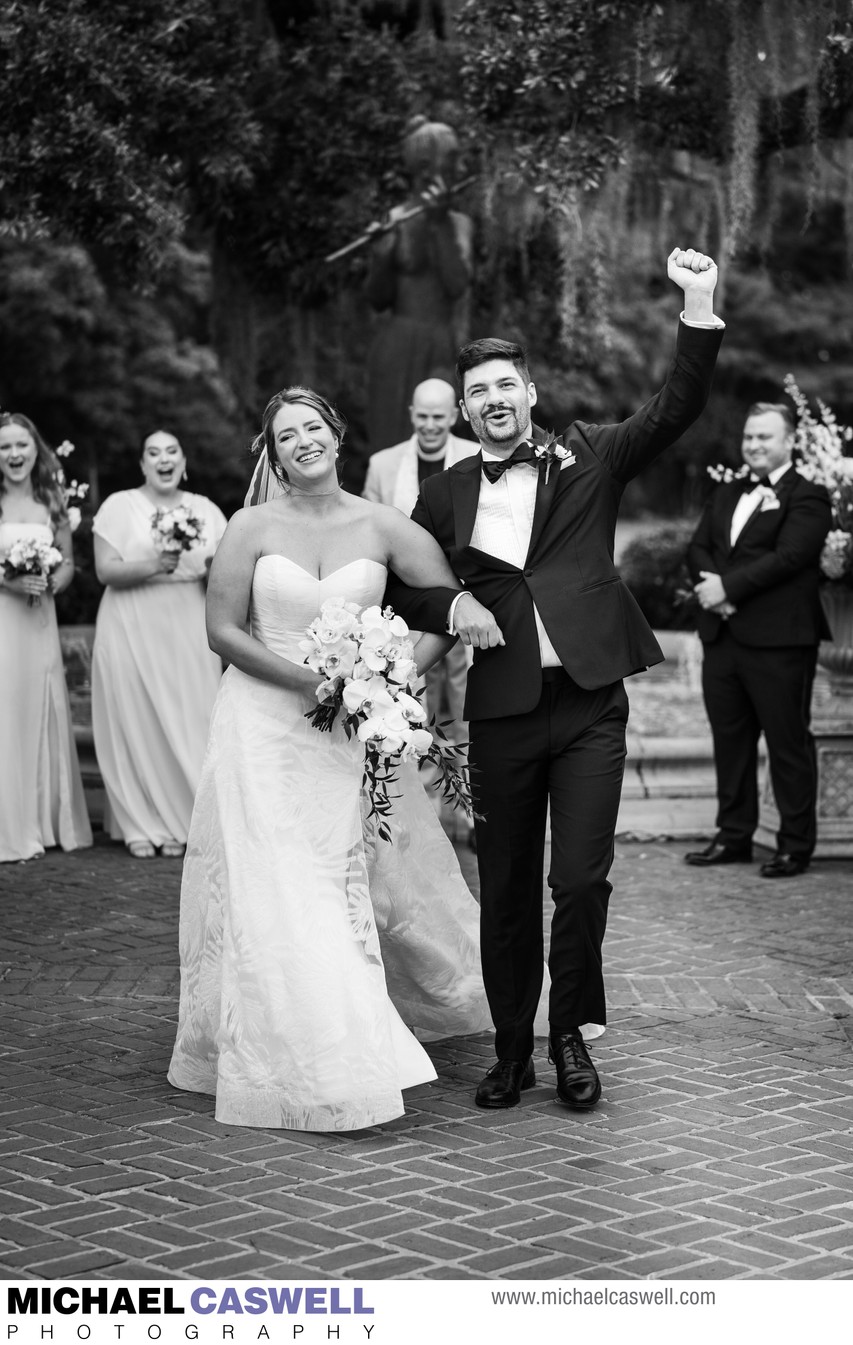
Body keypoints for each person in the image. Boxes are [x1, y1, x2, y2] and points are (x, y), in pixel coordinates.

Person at [386, 246, 725, 1112]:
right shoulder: (445, 493)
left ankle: (569, 1033)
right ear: (463, 412)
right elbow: (409, 588)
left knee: (576, 879)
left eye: (505, 386)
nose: (493, 401)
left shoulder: (591, 456)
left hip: (587, 709)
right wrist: (449, 608)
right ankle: (510, 1050)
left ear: (528, 393)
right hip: (498, 713)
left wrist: (696, 305)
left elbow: (675, 405)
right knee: (502, 887)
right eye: (477, 393)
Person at [167, 386, 502, 1132]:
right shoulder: (250, 526)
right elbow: (222, 630)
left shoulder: (383, 523)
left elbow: (445, 603)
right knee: (275, 879)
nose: (302, 442)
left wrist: (393, 677)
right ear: (273, 452)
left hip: (351, 733)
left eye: (312, 427)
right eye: (286, 435)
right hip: (262, 723)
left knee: (336, 872)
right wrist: (314, 685)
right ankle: (320, 1051)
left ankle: (338, 1025)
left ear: (337, 435)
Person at [684, 403, 832, 879]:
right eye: (749, 438)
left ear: (790, 440)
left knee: (787, 744)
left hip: (780, 642)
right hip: (723, 637)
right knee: (731, 742)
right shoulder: (728, 491)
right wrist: (715, 596)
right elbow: (698, 546)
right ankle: (733, 835)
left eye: (764, 437)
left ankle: (794, 844)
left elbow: (790, 557)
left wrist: (726, 589)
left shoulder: (809, 496)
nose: (753, 446)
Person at [91, 430, 227, 860]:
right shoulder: (119, 506)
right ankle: (140, 821)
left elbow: (226, 573)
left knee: (192, 714)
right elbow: (104, 571)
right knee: (136, 718)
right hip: (130, 622)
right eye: (153, 452)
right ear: (142, 464)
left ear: (183, 460)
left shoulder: (205, 510)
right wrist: (156, 564)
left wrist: (211, 567)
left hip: (188, 623)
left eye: (171, 452)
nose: (163, 459)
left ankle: (186, 820)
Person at [364, 377, 478, 843]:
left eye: (440, 416)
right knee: (412, 702)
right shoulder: (383, 464)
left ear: (453, 415)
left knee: (469, 702)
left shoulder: (476, 457)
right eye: (423, 415)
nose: (431, 425)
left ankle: (472, 810)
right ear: (412, 413)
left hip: (468, 603)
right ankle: (425, 814)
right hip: (405, 610)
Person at [0, 412, 92, 863]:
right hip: (3, 618)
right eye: (4, 447)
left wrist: (56, 580)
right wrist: (8, 580)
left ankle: (41, 820)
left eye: (21, 445)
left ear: (35, 450)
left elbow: (69, 562)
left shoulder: (51, 498)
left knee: (37, 706)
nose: (14, 454)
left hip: (39, 621)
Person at [364, 116, 473, 464]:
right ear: (427, 165)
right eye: (453, 157)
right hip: (396, 343)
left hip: (440, 344)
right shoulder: (394, 220)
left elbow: (457, 285)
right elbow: (378, 299)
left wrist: (439, 224)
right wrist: (381, 257)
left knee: (440, 440)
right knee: (389, 445)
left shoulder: (458, 223)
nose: (461, 165)